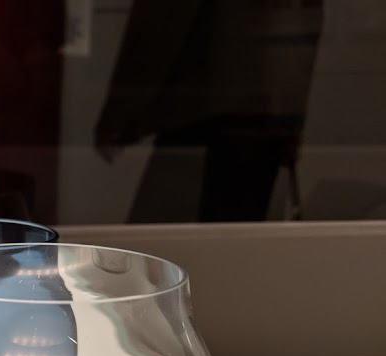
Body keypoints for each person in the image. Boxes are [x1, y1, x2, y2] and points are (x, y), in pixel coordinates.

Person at [95, 0, 323, 222]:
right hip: (261, 111)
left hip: (207, 108)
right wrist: (291, 117)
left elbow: (160, 20)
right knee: (233, 236)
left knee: (167, 238)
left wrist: (120, 115)